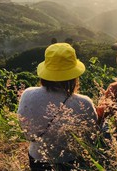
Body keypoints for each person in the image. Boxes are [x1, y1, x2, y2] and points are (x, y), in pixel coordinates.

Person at [17, 43, 97, 171]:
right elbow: (89, 139)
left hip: (37, 159)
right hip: (71, 162)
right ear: (74, 75)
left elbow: (27, 134)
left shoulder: (28, 95)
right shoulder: (84, 103)